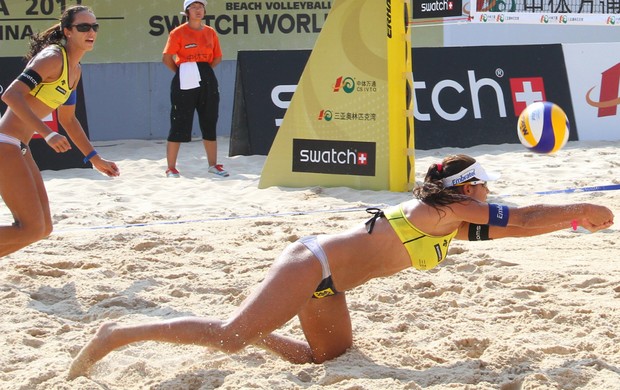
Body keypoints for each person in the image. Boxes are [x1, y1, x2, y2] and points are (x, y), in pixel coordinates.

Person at [68, 154, 614, 379]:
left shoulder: (452, 219)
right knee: (230, 336)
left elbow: (514, 229)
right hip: (312, 263)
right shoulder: (444, 208)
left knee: (325, 357)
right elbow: (519, 216)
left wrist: (572, 224)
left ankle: (263, 329)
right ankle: (117, 334)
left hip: (326, 284)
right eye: (482, 183)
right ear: (462, 189)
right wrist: (581, 208)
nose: (488, 190)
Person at [0, 5, 119, 259]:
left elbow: (68, 119)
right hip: (5, 143)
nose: (91, 32)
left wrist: (94, 158)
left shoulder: (74, 70)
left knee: (43, 229)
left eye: (94, 27)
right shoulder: (53, 57)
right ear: (67, 31)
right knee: (30, 229)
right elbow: (10, 95)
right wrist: (46, 133)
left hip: (19, 146)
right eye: (83, 27)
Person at [162, 0, 227, 178]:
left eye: (201, 7)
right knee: (179, 121)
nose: (198, 11)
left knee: (209, 119)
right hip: (185, 73)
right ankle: (171, 167)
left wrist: (203, 72)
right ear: (187, 11)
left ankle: (213, 165)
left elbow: (217, 57)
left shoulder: (210, 32)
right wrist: (182, 72)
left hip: (206, 74)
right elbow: (167, 57)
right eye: (194, 7)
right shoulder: (178, 32)